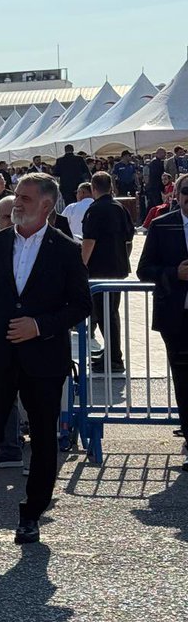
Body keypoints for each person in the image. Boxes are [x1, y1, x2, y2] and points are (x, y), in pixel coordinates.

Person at [0, 173, 91, 544]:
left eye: (26, 198)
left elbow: (81, 304)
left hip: (44, 359)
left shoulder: (66, 248)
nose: (17, 202)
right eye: (16, 196)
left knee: (44, 440)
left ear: (47, 205)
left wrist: (40, 325)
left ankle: (31, 515)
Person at [135, 173, 188, 469]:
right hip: (175, 314)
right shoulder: (161, 225)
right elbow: (144, 270)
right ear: (176, 195)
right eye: (186, 192)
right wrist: (173, 273)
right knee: (184, 379)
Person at [81, 171, 134, 373]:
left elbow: (89, 241)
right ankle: (112, 352)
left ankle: (114, 358)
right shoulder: (120, 208)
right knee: (111, 313)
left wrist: (81, 266)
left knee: (105, 314)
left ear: (93, 188)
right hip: (118, 268)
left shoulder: (95, 210)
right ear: (111, 186)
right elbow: (129, 238)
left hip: (99, 269)